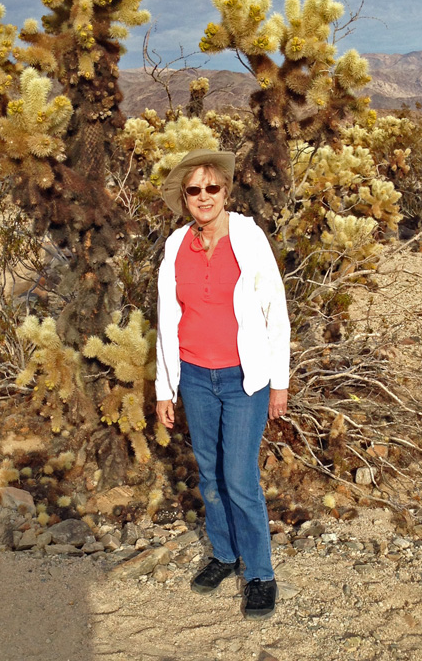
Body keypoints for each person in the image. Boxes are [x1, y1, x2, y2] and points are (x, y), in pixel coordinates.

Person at [155, 148, 291, 620]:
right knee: (210, 476)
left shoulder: (248, 236)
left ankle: (259, 573)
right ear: (185, 198)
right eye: (195, 189)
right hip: (193, 375)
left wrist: (280, 381)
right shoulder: (176, 246)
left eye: (213, 187)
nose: (205, 196)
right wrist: (163, 388)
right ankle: (223, 553)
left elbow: (276, 308)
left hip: (243, 378)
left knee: (239, 477)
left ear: (225, 191)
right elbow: (166, 319)